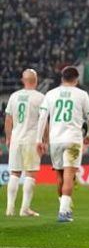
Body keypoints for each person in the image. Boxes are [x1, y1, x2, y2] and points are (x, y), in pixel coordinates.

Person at [36, 66, 89, 223]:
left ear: (62, 78)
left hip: (55, 140)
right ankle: (63, 212)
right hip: (73, 139)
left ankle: (65, 208)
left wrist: (39, 140)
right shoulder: (82, 94)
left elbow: (42, 117)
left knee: (60, 176)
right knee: (69, 175)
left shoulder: (50, 94)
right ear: (76, 79)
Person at [4, 69, 45, 217]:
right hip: (32, 139)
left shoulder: (14, 96)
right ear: (36, 80)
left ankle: (10, 209)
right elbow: (44, 121)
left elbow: (8, 120)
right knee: (30, 173)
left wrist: (8, 138)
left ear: (23, 80)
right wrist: (44, 140)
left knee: (14, 173)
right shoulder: (40, 98)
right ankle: (25, 209)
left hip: (16, 138)